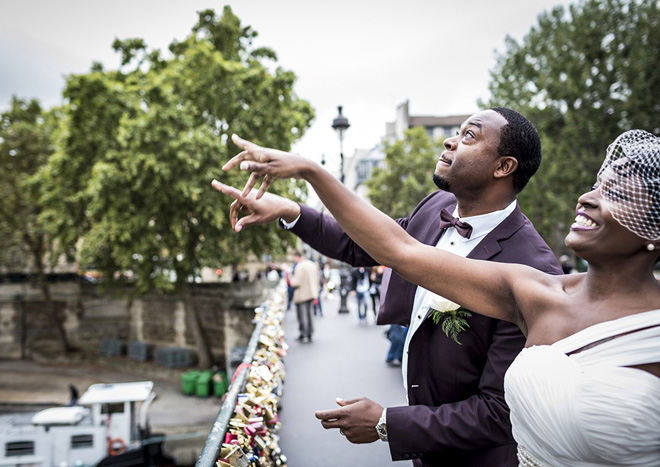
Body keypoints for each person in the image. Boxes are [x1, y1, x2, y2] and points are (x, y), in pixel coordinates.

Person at [214, 128, 660, 466]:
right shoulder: (529, 286)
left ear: (503, 166)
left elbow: (495, 413)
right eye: (596, 186)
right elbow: (386, 247)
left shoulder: (533, 266)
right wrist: (295, 206)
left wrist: (389, 423)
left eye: (469, 134)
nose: (586, 198)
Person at [290, 250, 320, 343]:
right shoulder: (311, 265)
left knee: (302, 315)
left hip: (302, 294)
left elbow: (296, 282)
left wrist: (290, 279)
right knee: (310, 314)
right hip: (311, 293)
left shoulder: (299, 266)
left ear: (296, 257)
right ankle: (310, 332)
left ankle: (304, 333)